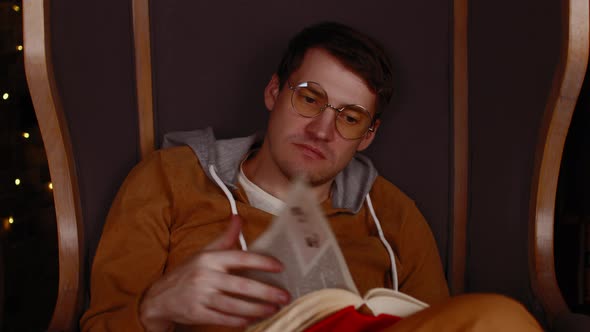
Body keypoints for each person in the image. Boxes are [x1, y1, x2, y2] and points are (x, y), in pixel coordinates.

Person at [80, 22, 541, 332]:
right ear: (274, 92)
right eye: (309, 98)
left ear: (367, 136)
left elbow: (435, 319)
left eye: (350, 117)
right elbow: (102, 322)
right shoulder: (169, 177)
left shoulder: (393, 210)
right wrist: (155, 308)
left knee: (500, 317)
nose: (322, 129)